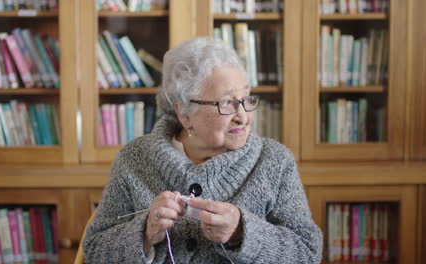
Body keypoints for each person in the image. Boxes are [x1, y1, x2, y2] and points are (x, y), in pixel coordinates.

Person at [83, 37, 323, 263]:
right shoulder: (134, 159)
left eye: (247, 99)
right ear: (185, 113)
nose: (243, 117)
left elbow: (307, 252)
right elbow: (95, 249)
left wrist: (242, 233)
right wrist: (145, 233)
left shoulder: (275, 161)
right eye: (227, 102)